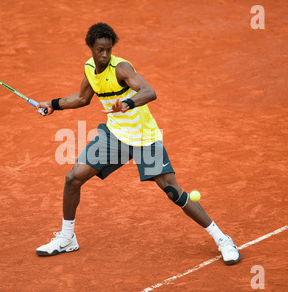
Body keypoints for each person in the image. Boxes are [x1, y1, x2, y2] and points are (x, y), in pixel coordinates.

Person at [34, 22, 241, 265]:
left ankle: (222, 239)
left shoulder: (121, 68)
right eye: (100, 50)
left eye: (108, 50)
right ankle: (67, 237)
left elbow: (149, 91)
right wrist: (53, 104)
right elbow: (81, 98)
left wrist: (128, 103)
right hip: (115, 136)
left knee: (172, 190)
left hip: (144, 138)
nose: (104, 55)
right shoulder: (90, 69)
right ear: (91, 47)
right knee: (73, 178)